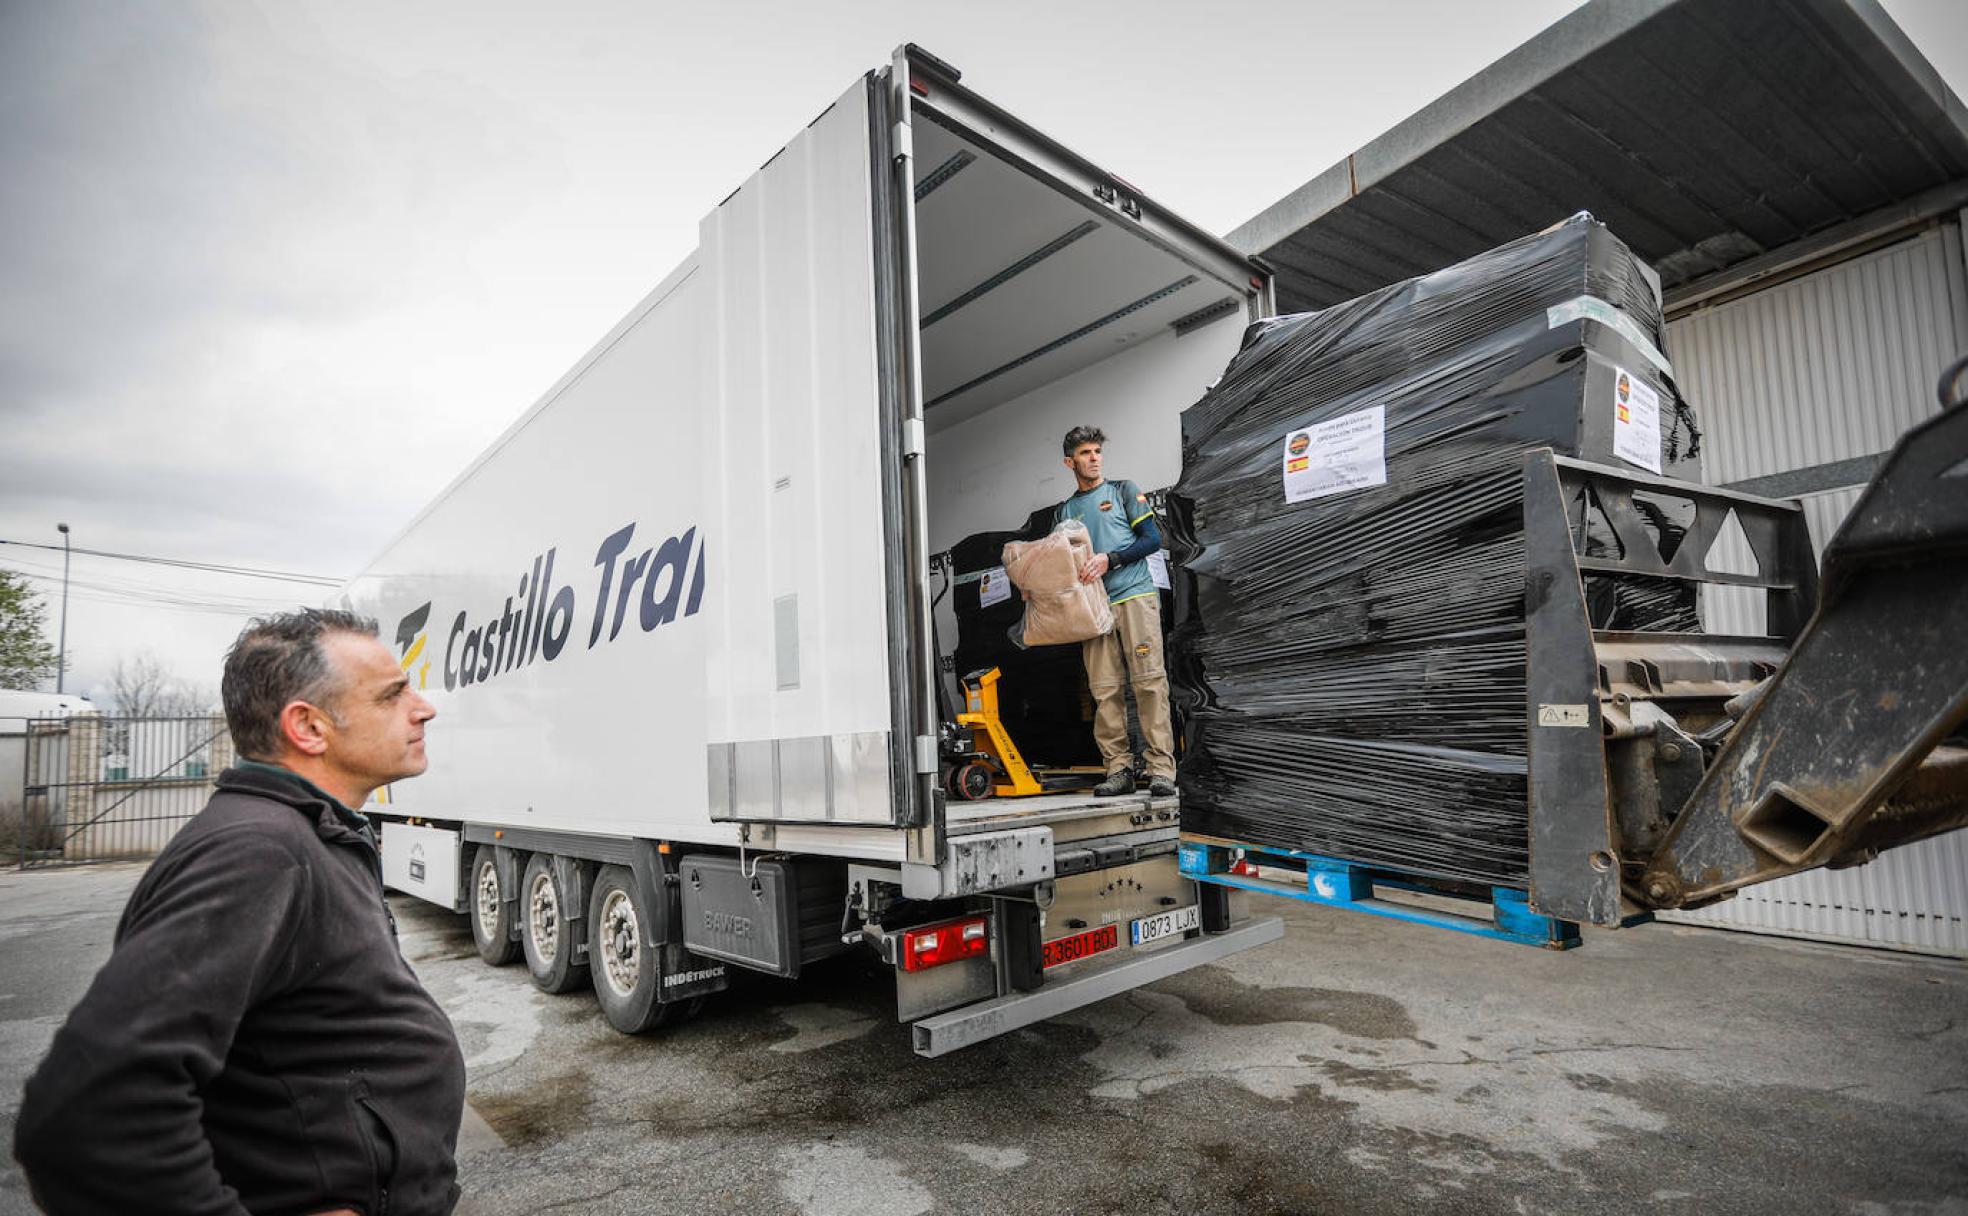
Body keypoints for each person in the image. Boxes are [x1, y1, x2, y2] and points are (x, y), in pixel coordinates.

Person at [14, 609, 465, 1216]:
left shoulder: (308, 836)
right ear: (308, 726)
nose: (423, 707)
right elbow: (86, 1114)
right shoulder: (259, 853)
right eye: (392, 695)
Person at [1056, 425, 1177, 798]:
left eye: (1097, 452)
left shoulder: (1123, 490)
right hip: (1093, 611)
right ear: (1069, 462)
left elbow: (1153, 540)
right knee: (1104, 691)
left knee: (1149, 683)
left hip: (1134, 598)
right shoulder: (1065, 511)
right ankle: (1119, 770)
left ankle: (1161, 771)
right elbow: (1059, 562)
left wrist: (1112, 559)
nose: (1094, 459)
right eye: (1085, 453)